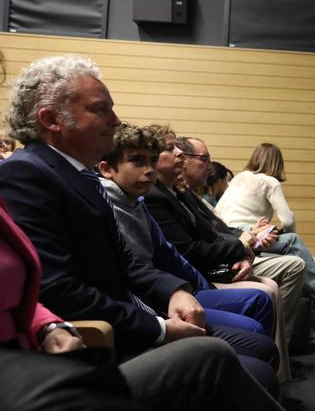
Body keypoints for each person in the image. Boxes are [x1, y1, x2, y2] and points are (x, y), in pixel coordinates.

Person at [0, 54, 289, 408]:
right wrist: (159, 328)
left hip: (127, 318)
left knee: (256, 351)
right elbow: (59, 290)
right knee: (240, 362)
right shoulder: (27, 174)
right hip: (101, 340)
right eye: (100, 109)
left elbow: (125, 260)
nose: (115, 120)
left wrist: (175, 291)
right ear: (51, 119)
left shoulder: (78, 173)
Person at [144, 127, 305, 381]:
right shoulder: (155, 196)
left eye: (181, 150)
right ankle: (273, 367)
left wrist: (244, 246)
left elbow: (212, 234)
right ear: (109, 169)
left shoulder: (176, 193)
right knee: (272, 284)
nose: (180, 156)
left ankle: (276, 369)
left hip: (207, 268)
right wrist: (242, 245)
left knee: (270, 288)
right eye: (171, 149)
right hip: (193, 278)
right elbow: (189, 250)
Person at [98, 123, 274, 336]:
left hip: (179, 285)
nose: (149, 169)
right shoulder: (115, 203)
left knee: (263, 298)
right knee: (258, 310)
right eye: (137, 161)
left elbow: (194, 241)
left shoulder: (143, 200)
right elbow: (174, 255)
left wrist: (241, 250)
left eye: (152, 160)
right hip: (155, 301)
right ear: (106, 169)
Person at [215, 142, 315, 318]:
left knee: (293, 249)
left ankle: (306, 260)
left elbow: (219, 210)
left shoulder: (240, 177)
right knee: (292, 240)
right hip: (246, 233)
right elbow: (287, 219)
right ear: (277, 164)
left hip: (225, 233)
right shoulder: (270, 182)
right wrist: (286, 235)